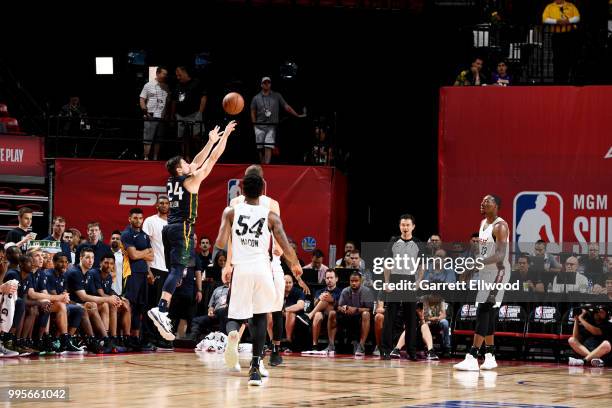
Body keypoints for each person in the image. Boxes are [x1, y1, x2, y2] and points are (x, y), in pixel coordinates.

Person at [148, 121, 236, 341]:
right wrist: (224, 139)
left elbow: (197, 161)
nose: (190, 163)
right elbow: (210, 161)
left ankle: (163, 308)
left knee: (175, 275)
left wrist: (210, 141)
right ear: (180, 169)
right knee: (178, 272)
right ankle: (161, 309)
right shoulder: (191, 182)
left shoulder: (173, 180)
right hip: (183, 229)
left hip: (169, 229)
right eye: (185, 163)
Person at [216, 173, 303, 386]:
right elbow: (284, 245)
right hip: (262, 269)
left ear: (242, 190)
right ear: (263, 191)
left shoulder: (231, 212)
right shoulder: (271, 216)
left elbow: (219, 242)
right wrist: (295, 264)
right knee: (260, 317)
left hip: (241, 269)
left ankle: (234, 334)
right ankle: (255, 368)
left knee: (235, 315)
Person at [454, 195, 511, 371]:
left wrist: (476, 264)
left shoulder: (500, 226)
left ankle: (472, 356)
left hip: (498, 273)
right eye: (482, 201)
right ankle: (490, 356)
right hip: (486, 273)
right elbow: (485, 253)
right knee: (488, 314)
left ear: (496, 206)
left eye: (488, 202)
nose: (483, 203)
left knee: (483, 311)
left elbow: (500, 255)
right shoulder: (482, 224)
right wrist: (471, 268)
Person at [380, 214, 423, 360]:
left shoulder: (417, 242)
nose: (405, 228)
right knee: (389, 317)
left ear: (413, 227)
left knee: (411, 318)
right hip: (395, 279)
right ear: (400, 226)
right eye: (402, 225)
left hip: (410, 280)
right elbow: (387, 263)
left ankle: (411, 351)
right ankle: (385, 350)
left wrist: (418, 282)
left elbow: (422, 265)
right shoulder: (393, 241)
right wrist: (386, 282)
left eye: (407, 225)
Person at [250, 76, 305, 164]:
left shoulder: (277, 95)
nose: (267, 84)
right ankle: (262, 163)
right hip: (259, 126)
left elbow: (286, 106)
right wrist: (254, 124)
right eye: (265, 83)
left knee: (268, 145)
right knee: (260, 148)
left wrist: (296, 114)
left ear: (270, 84)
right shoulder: (256, 98)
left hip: (272, 126)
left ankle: (266, 165)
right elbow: (252, 111)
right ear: (261, 85)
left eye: (268, 82)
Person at [332, 271, 374, 356]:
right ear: (349, 281)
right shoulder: (345, 291)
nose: (354, 283)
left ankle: (361, 346)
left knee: (366, 314)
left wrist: (356, 309)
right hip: (347, 316)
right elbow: (339, 306)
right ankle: (331, 345)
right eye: (352, 281)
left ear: (361, 281)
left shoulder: (366, 291)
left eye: (356, 281)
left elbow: (369, 309)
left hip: (360, 317)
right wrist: (343, 308)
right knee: (332, 313)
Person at [172, 66, 207, 159]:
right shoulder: (178, 85)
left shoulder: (196, 83)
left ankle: (202, 156)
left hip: (194, 114)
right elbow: (174, 100)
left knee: (196, 137)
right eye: (177, 76)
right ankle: (185, 157)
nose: (178, 77)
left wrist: (200, 112)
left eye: (179, 75)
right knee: (183, 138)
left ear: (185, 72)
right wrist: (173, 114)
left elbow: (203, 97)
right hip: (180, 115)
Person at [140, 66, 169, 160]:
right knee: (148, 138)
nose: (165, 76)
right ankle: (146, 157)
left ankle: (155, 158)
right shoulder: (148, 85)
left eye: (166, 74)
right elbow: (142, 99)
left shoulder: (166, 87)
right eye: (163, 73)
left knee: (158, 138)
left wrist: (167, 114)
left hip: (161, 116)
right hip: (150, 115)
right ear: (157, 73)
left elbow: (168, 101)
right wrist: (145, 111)